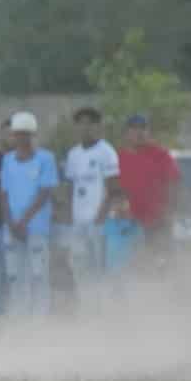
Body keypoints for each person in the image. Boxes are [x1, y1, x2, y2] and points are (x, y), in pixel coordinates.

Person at [0, 110, 61, 316]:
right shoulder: (8, 160)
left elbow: (45, 193)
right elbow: (3, 193)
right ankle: (18, 316)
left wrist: (23, 221)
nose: (22, 138)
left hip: (36, 227)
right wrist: (11, 223)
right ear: (13, 136)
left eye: (26, 134)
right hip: (13, 227)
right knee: (15, 274)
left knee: (38, 274)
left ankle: (39, 317)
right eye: (18, 134)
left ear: (33, 135)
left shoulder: (45, 159)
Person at [60, 105, 121, 292]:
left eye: (89, 123)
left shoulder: (106, 151)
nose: (85, 128)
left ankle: (102, 311)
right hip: (78, 221)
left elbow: (113, 188)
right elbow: (71, 187)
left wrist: (101, 217)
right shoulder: (73, 154)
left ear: (97, 126)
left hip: (98, 220)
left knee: (99, 267)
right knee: (80, 266)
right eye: (81, 124)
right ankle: (87, 308)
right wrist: (69, 215)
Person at [117, 113, 181, 261]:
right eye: (134, 129)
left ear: (149, 132)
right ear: (126, 133)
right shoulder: (119, 157)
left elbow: (174, 184)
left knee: (159, 262)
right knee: (132, 263)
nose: (139, 132)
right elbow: (113, 188)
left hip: (156, 221)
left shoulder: (161, 155)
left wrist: (169, 212)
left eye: (143, 128)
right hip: (129, 222)